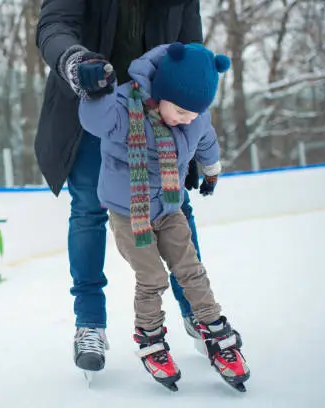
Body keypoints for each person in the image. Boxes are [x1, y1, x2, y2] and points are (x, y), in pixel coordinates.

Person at [35, 0, 207, 373]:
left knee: (175, 206)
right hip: (94, 107)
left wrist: (196, 135)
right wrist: (76, 63)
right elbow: (53, 25)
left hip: (159, 112)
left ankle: (198, 313)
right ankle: (90, 323)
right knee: (88, 211)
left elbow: (193, 48)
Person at [77, 42, 250, 391]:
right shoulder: (125, 109)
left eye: (193, 114)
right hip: (129, 214)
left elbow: (206, 138)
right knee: (153, 276)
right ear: (164, 93)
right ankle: (150, 336)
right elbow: (97, 120)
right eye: (183, 112)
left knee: (191, 269)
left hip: (170, 207)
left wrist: (210, 168)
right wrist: (97, 92)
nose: (189, 119)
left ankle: (213, 326)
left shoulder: (195, 115)